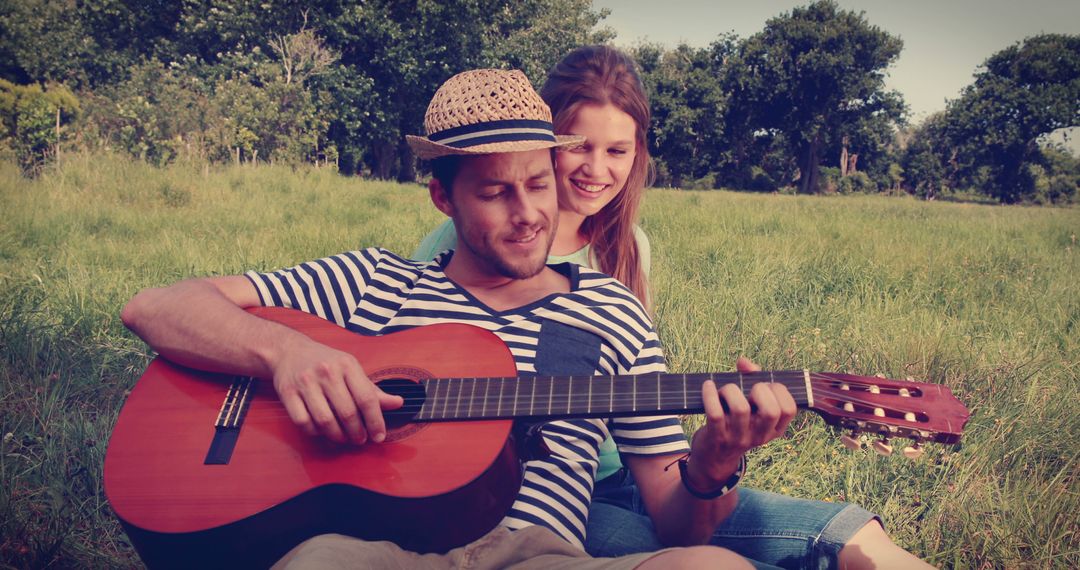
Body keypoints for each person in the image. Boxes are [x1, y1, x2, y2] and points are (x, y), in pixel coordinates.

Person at [120, 68, 758, 569]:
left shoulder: (611, 311)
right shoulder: (373, 279)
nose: (528, 212)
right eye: (494, 192)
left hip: (537, 555)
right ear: (442, 197)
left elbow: (674, 521)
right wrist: (285, 354)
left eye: (538, 184)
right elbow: (156, 306)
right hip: (364, 552)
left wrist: (711, 466)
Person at [414, 47, 933, 569]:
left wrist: (708, 458)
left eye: (617, 151)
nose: (597, 169)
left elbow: (636, 386)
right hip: (550, 485)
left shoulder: (627, 245)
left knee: (852, 534)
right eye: (581, 149)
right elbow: (421, 355)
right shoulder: (479, 236)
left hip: (637, 468)